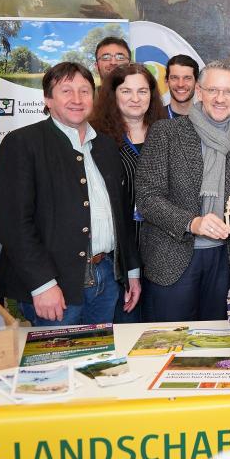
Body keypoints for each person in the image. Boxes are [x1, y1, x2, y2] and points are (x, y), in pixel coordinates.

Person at [0, 62, 140, 325]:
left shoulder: (105, 145)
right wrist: (42, 284)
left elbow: (122, 214)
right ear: (48, 99)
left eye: (84, 91)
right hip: (56, 287)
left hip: (106, 277)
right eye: (66, 91)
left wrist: (131, 271)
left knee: (99, 363)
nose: (77, 99)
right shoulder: (23, 144)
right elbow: (13, 225)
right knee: (59, 364)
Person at [135, 62, 230, 322]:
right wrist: (192, 223)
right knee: (168, 341)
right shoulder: (166, 133)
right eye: (213, 90)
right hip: (172, 257)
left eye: (228, 92)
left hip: (224, 261)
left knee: (215, 343)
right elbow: (147, 197)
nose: (220, 98)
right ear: (199, 92)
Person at [90, 63, 167, 322]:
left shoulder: (168, 133)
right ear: (113, 95)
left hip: (162, 248)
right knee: (125, 328)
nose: (135, 99)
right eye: (126, 91)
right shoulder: (98, 140)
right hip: (121, 253)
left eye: (143, 91)